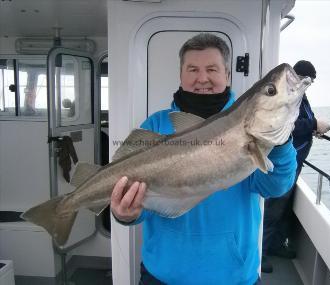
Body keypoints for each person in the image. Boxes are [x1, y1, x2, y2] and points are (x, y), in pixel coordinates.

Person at [110, 33, 297, 285]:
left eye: (212, 69)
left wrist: (281, 141)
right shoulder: (155, 125)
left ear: (227, 75)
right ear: (181, 75)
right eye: (193, 69)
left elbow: (274, 186)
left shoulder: (249, 131)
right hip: (164, 276)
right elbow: (141, 205)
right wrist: (126, 213)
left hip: (233, 277)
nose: (202, 78)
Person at [262, 60, 330, 273]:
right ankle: (261, 252)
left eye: (311, 81)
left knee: (283, 209)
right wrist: (314, 125)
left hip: (296, 165)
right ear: (298, 76)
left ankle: (275, 245)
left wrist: (313, 130)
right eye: (307, 79)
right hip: (283, 164)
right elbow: (286, 126)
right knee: (273, 210)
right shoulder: (289, 97)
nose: (308, 84)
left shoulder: (302, 97)